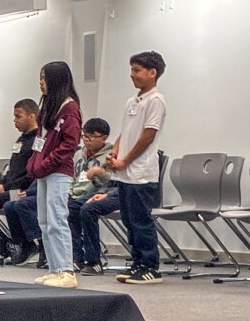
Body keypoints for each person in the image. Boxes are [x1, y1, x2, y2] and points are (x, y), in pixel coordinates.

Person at [107, 51, 167, 284]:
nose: (132, 75)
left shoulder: (155, 100)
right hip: (125, 174)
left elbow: (148, 136)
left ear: (152, 73)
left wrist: (126, 160)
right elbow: (126, 132)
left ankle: (151, 266)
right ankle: (137, 263)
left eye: (137, 70)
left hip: (142, 173)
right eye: (131, 69)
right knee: (129, 221)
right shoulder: (132, 101)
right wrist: (115, 153)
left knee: (141, 221)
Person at [26, 61, 82, 288]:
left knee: (57, 219)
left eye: (44, 78)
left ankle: (66, 270)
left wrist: (47, 163)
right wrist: (34, 163)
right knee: (45, 221)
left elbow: (70, 144)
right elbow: (40, 142)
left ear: (56, 80)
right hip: (44, 172)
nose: (40, 82)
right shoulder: (48, 106)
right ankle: (54, 268)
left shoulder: (69, 108)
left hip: (58, 172)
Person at [66, 118, 117, 275]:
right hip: (76, 193)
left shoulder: (111, 155)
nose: (87, 140)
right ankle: (76, 257)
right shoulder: (78, 155)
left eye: (92, 136)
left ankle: (93, 260)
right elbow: (71, 177)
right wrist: (68, 192)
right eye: (85, 136)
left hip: (100, 193)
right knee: (67, 207)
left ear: (104, 137)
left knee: (86, 209)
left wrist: (100, 175)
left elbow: (114, 181)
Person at [0, 99, 39, 210]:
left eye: (18, 117)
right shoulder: (21, 140)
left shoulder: (38, 141)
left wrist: (5, 187)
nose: (15, 120)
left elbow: (31, 175)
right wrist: (1, 183)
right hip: (10, 188)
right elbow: (12, 170)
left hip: (23, 190)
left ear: (31, 117)